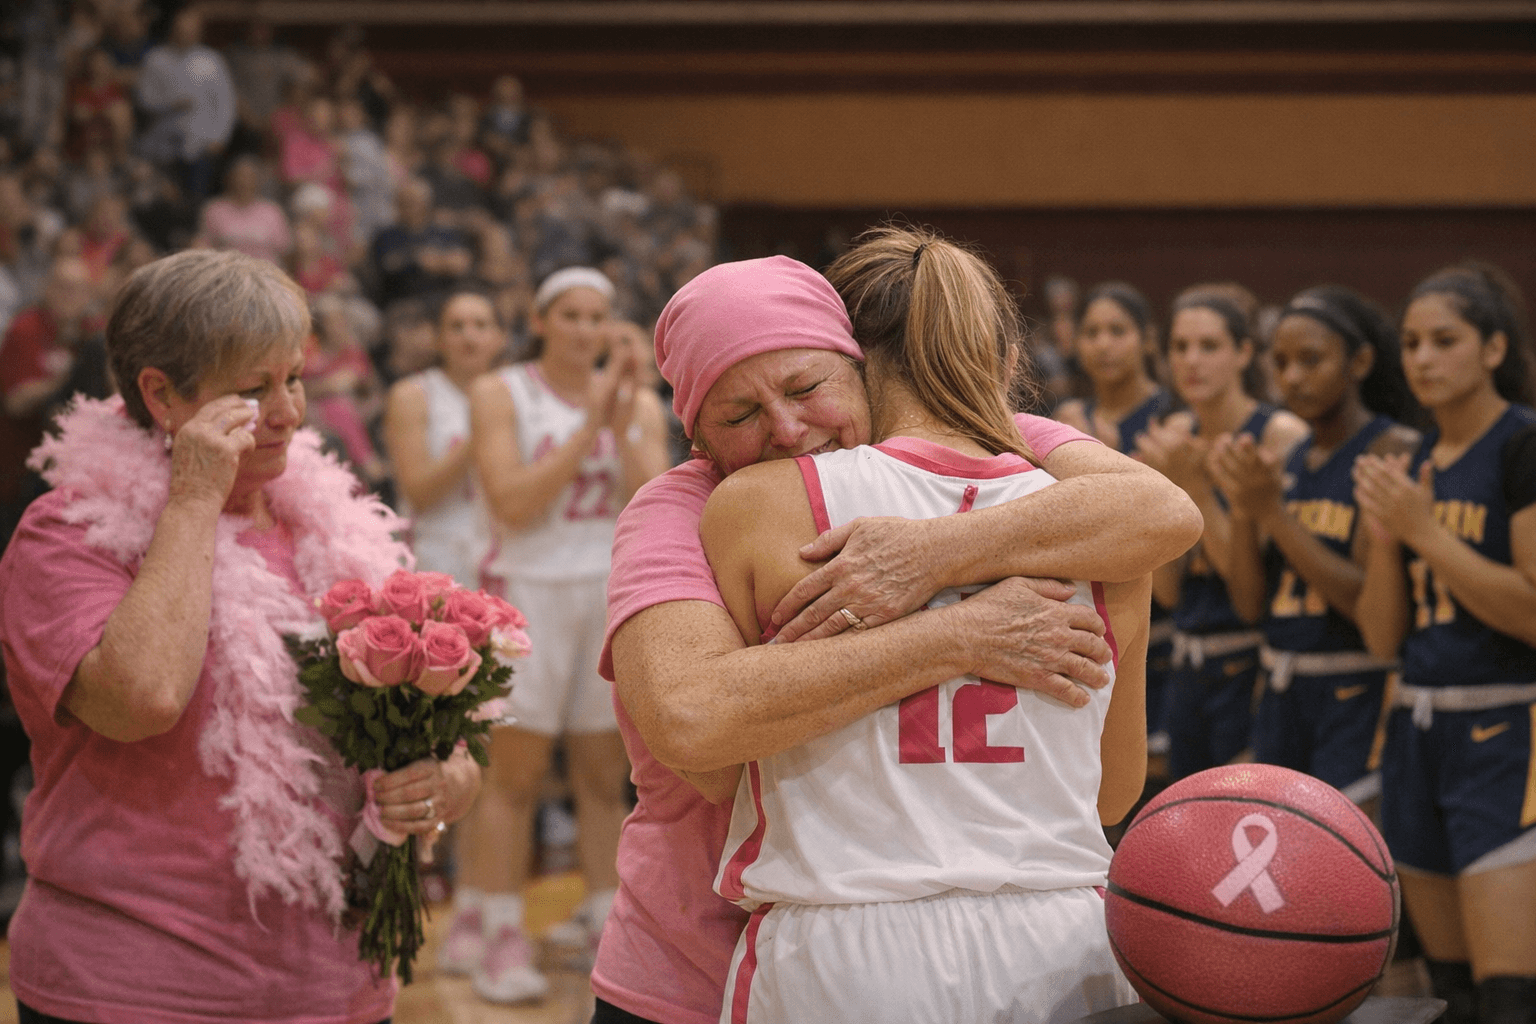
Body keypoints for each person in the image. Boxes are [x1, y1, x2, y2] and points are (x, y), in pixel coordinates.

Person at [594, 252, 1203, 1024]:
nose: (787, 430)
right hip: (694, 959)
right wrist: (957, 635)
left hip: (835, 934)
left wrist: (932, 554)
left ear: (861, 365)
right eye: (740, 416)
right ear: (696, 438)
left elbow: (1167, 512)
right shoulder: (676, 508)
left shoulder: (763, 504)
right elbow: (693, 723)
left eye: (806, 388)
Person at [0, 249, 481, 1024]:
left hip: (337, 988)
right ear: (159, 394)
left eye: (293, 377)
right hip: (133, 990)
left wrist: (444, 780)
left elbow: (438, 736)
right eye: (252, 390)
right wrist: (194, 498)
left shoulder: (332, 520)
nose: (290, 410)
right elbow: (143, 698)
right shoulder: (67, 533)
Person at [445, 267, 671, 1003]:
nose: (584, 328)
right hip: (525, 588)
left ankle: (609, 922)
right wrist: (588, 429)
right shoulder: (499, 392)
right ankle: (499, 930)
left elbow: (656, 499)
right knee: (513, 775)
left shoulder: (631, 398)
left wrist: (626, 418)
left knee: (606, 775)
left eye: (596, 316)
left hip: (605, 592)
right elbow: (512, 500)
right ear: (541, 321)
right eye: (570, 314)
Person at [1354, 264, 1536, 1024]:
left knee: (1507, 994)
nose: (1422, 358)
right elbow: (1381, 637)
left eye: (1445, 341)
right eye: (1412, 343)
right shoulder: (1414, 462)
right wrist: (1391, 543)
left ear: (1494, 348)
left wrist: (1427, 530)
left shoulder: (1520, 446)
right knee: (1445, 990)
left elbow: (1531, 609)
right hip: (1414, 729)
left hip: (1506, 728)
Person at [1209, 286, 1420, 804]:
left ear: (1361, 361)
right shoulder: (1293, 456)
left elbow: (1361, 601)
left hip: (1356, 691)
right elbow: (1248, 604)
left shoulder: (1392, 450)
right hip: (1280, 687)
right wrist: (1243, 508)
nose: (1293, 377)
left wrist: (1272, 514)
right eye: (1280, 362)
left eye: (1311, 360)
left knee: (1343, 871)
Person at [1136, 289, 1309, 781]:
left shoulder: (1280, 435)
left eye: (1209, 346)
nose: (1191, 361)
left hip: (1255, 664)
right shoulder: (1175, 431)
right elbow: (1167, 592)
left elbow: (1245, 591)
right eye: (1180, 346)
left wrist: (1196, 490)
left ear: (1245, 353)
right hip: (1189, 663)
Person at [1055, 281, 1176, 758]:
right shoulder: (1066, 419)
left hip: (1161, 624)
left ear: (1146, 339)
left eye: (1117, 330)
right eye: (1092, 332)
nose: (1103, 344)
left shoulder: (1173, 418)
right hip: (1087, 622)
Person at [383, 285, 503, 586]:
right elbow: (418, 494)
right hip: (436, 552)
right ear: (438, 339)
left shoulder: (517, 391)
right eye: (457, 326)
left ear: (499, 338)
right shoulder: (413, 394)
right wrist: (480, 435)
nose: (469, 335)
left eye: (481, 325)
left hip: (503, 552)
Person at [193, 155, 292, 266]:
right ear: (229, 178)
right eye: (240, 176)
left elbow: (286, 252)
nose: (244, 181)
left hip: (266, 275)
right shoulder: (214, 209)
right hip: (226, 273)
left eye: (250, 176)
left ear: (259, 180)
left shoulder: (272, 211)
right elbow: (202, 245)